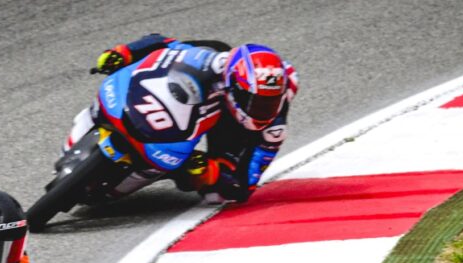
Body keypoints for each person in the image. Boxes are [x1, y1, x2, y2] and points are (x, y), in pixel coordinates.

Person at [75, 34, 297, 203]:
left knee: (216, 195)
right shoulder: (214, 57)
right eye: (254, 101)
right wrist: (123, 53)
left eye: (269, 102)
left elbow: (245, 185)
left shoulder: (272, 129)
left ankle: (163, 170)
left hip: (226, 129)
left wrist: (210, 173)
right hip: (185, 105)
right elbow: (164, 44)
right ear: (235, 85)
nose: (260, 109)